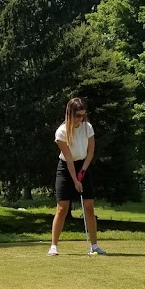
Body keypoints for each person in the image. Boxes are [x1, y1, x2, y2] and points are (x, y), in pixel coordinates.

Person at [48, 97, 106, 256]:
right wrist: (75, 180)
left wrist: (83, 171)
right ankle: (53, 246)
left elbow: (90, 152)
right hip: (66, 167)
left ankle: (94, 245)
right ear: (70, 114)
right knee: (62, 208)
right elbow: (68, 159)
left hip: (83, 166)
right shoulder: (61, 132)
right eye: (78, 115)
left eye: (83, 115)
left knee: (89, 206)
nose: (81, 119)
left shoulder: (87, 127)